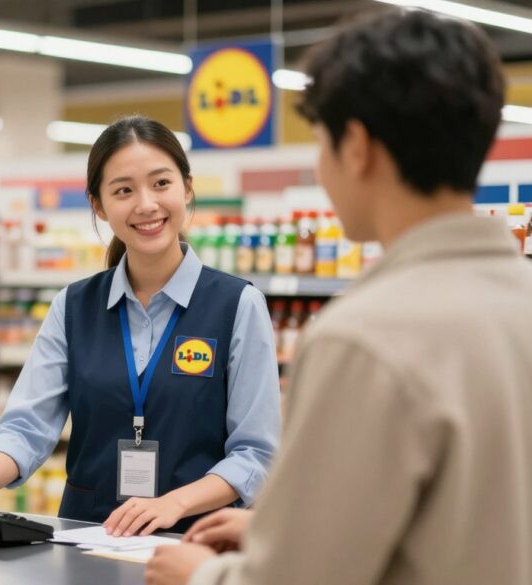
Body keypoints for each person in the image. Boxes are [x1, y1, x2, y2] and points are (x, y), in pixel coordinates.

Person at [146, 8, 532, 585]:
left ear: (357, 146)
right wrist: (281, 530)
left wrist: (203, 576)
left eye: (322, 142)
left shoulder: (366, 336)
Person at [0, 116, 280, 536]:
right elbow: (27, 426)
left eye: (161, 183)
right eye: (124, 190)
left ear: (186, 187)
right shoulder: (73, 306)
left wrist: (174, 503)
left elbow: (255, 453)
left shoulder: (237, 305)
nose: (146, 204)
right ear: (98, 205)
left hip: (194, 544)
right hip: (86, 539)